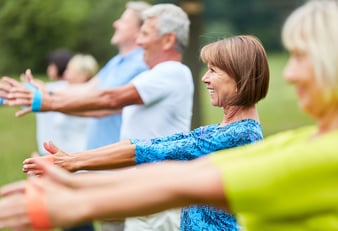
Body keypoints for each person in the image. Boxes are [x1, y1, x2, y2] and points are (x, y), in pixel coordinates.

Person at [1, 0, 338, 230]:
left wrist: (74, 190)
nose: (288, 74)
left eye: (303, 58)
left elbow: (168, 169)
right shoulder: (290, 139)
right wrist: (73, 165)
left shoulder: (241, 135)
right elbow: (160, 159)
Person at [22, 35, 269, 231]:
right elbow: (149, 144)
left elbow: (150, 151)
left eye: (214, 70)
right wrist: (72, 161)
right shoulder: (219, 131)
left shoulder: (239, 135)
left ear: (240, 77)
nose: (205, 78)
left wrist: (74, 163)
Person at [2, 3, 194, 231]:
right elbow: (94, 93)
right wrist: (44, 95)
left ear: (168, 40)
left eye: (145, 34)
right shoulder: (155, 73)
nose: (139, 42)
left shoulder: (171, 72)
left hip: (156, 189)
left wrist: (46, 101)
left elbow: (110, 100)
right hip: (139, 185)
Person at [36, 54, 99, 156]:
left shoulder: (91, 94)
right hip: (64, 154)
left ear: (84, 75)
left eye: (70, 71)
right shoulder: (63, 88)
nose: (65, 73)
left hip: (79, 154)